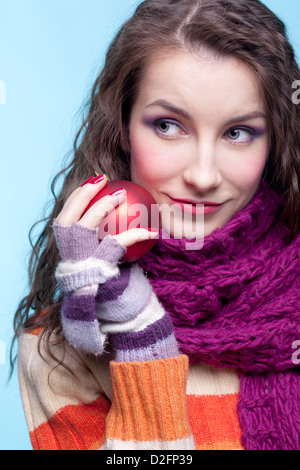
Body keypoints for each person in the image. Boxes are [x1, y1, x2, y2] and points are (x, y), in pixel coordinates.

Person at [12, 0, 300, 450]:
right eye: (168, 126)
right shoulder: (60, 352)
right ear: (123, 127)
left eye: (238, 133)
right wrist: (142, 337)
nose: (204, 176)